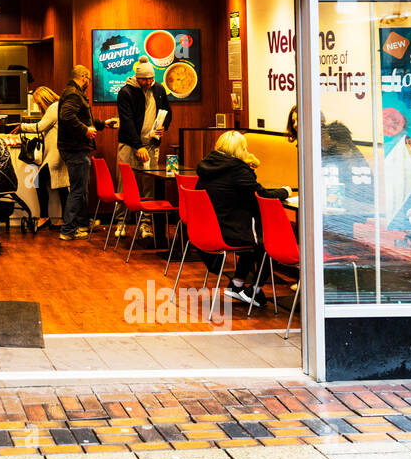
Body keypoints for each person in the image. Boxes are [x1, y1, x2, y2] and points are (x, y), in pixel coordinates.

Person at [194, 130, 291, 308]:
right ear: (240, 150)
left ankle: (237, 284)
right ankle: (255, 291)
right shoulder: (237, 169)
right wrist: (286, 191)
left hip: (208, 230)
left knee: (256, 233)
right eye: (245, 149)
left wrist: (248, 168)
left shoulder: (207, 166)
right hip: (229, 230)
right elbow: (260, 194)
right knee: (269, 240)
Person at [115, 55, 171, 239]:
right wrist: (138, 146)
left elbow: (168, 112)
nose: (148, 82)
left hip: (152, 144)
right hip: (130, 145)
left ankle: (145, 224)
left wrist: (164, 127)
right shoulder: (126, 92)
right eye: (144, 79)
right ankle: (121, 222)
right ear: (137, 77)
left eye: (150, 78)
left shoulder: (159, 89)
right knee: (125, 183)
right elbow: (127, 120)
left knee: (149, 186)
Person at [56, 65, 98, 241]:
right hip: (76, 149)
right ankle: (67, 230)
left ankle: (81, 224)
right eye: (88, 79)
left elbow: (81, 118)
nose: (89, 83)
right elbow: (67, 116)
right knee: (77, 190)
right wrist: (85, 131)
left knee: (80, 189)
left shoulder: (71, 92)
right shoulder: (74, 94)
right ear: (84, 77)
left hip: (73, 148)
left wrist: (102, 124)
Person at [18, 85, 68, 230]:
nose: (37, 105)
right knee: (62, 186)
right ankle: (64, 220)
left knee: (39, 181)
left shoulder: (54, 107)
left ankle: (44, 217)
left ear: (43, 99)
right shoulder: (59, 106)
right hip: (58, 153)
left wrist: (21, 127)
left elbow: (40, 126)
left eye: (37, 102)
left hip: (55, 154)